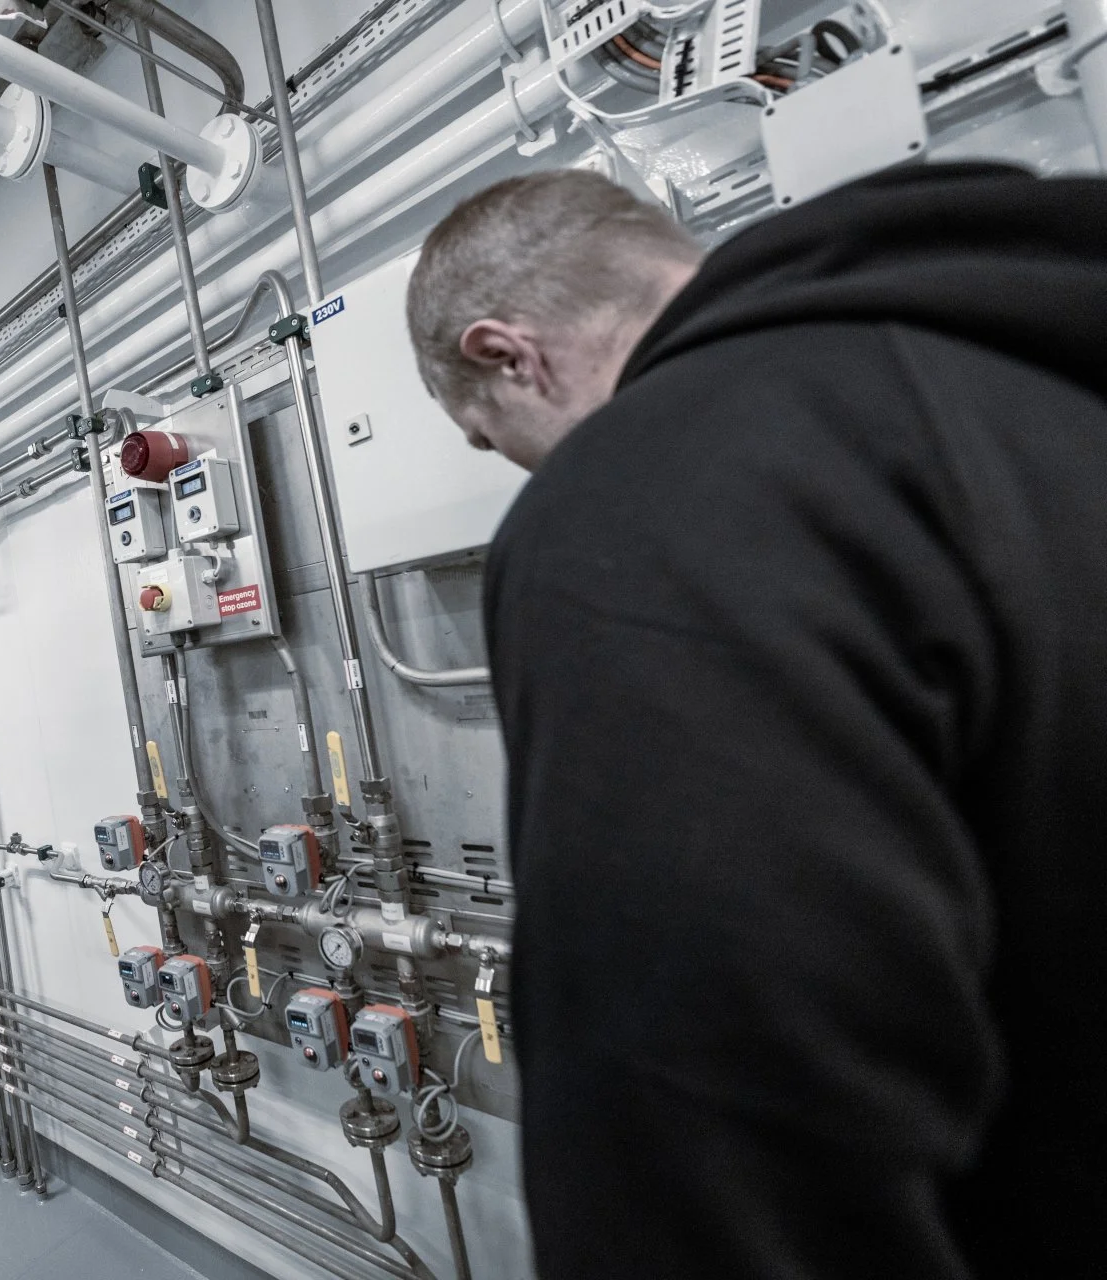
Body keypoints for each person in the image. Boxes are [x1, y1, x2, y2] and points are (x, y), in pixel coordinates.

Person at [405, 163, 1107, 1276]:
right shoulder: (1043, 380)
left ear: (509, 355)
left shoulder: (640, 492)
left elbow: (703, 1086)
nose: (515, 468)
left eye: (489, 438)